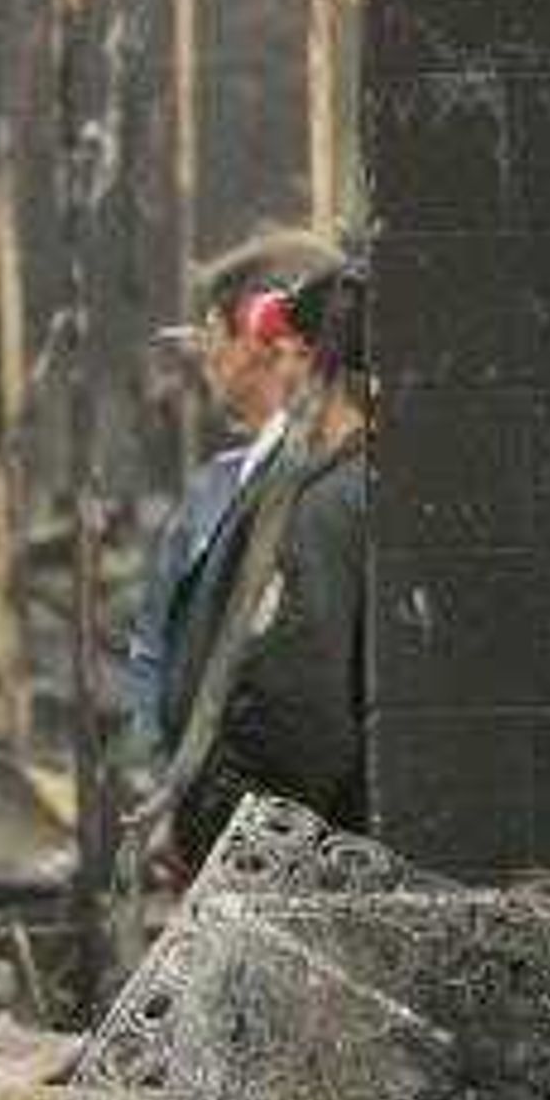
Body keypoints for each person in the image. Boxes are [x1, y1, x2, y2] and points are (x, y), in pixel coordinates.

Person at [157, 260, 371, 867]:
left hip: (298, 859)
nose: (278, 375)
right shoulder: (354, 488)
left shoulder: (324, 511)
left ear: (308, 363)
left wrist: (233, 840)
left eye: (285, 357)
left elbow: (299, 712)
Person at [125, 230, 341, 747]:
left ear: (259, 335)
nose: (205, 354)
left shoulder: (337, 480)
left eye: (211, 330)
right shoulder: (214, 489)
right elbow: (156, 649)